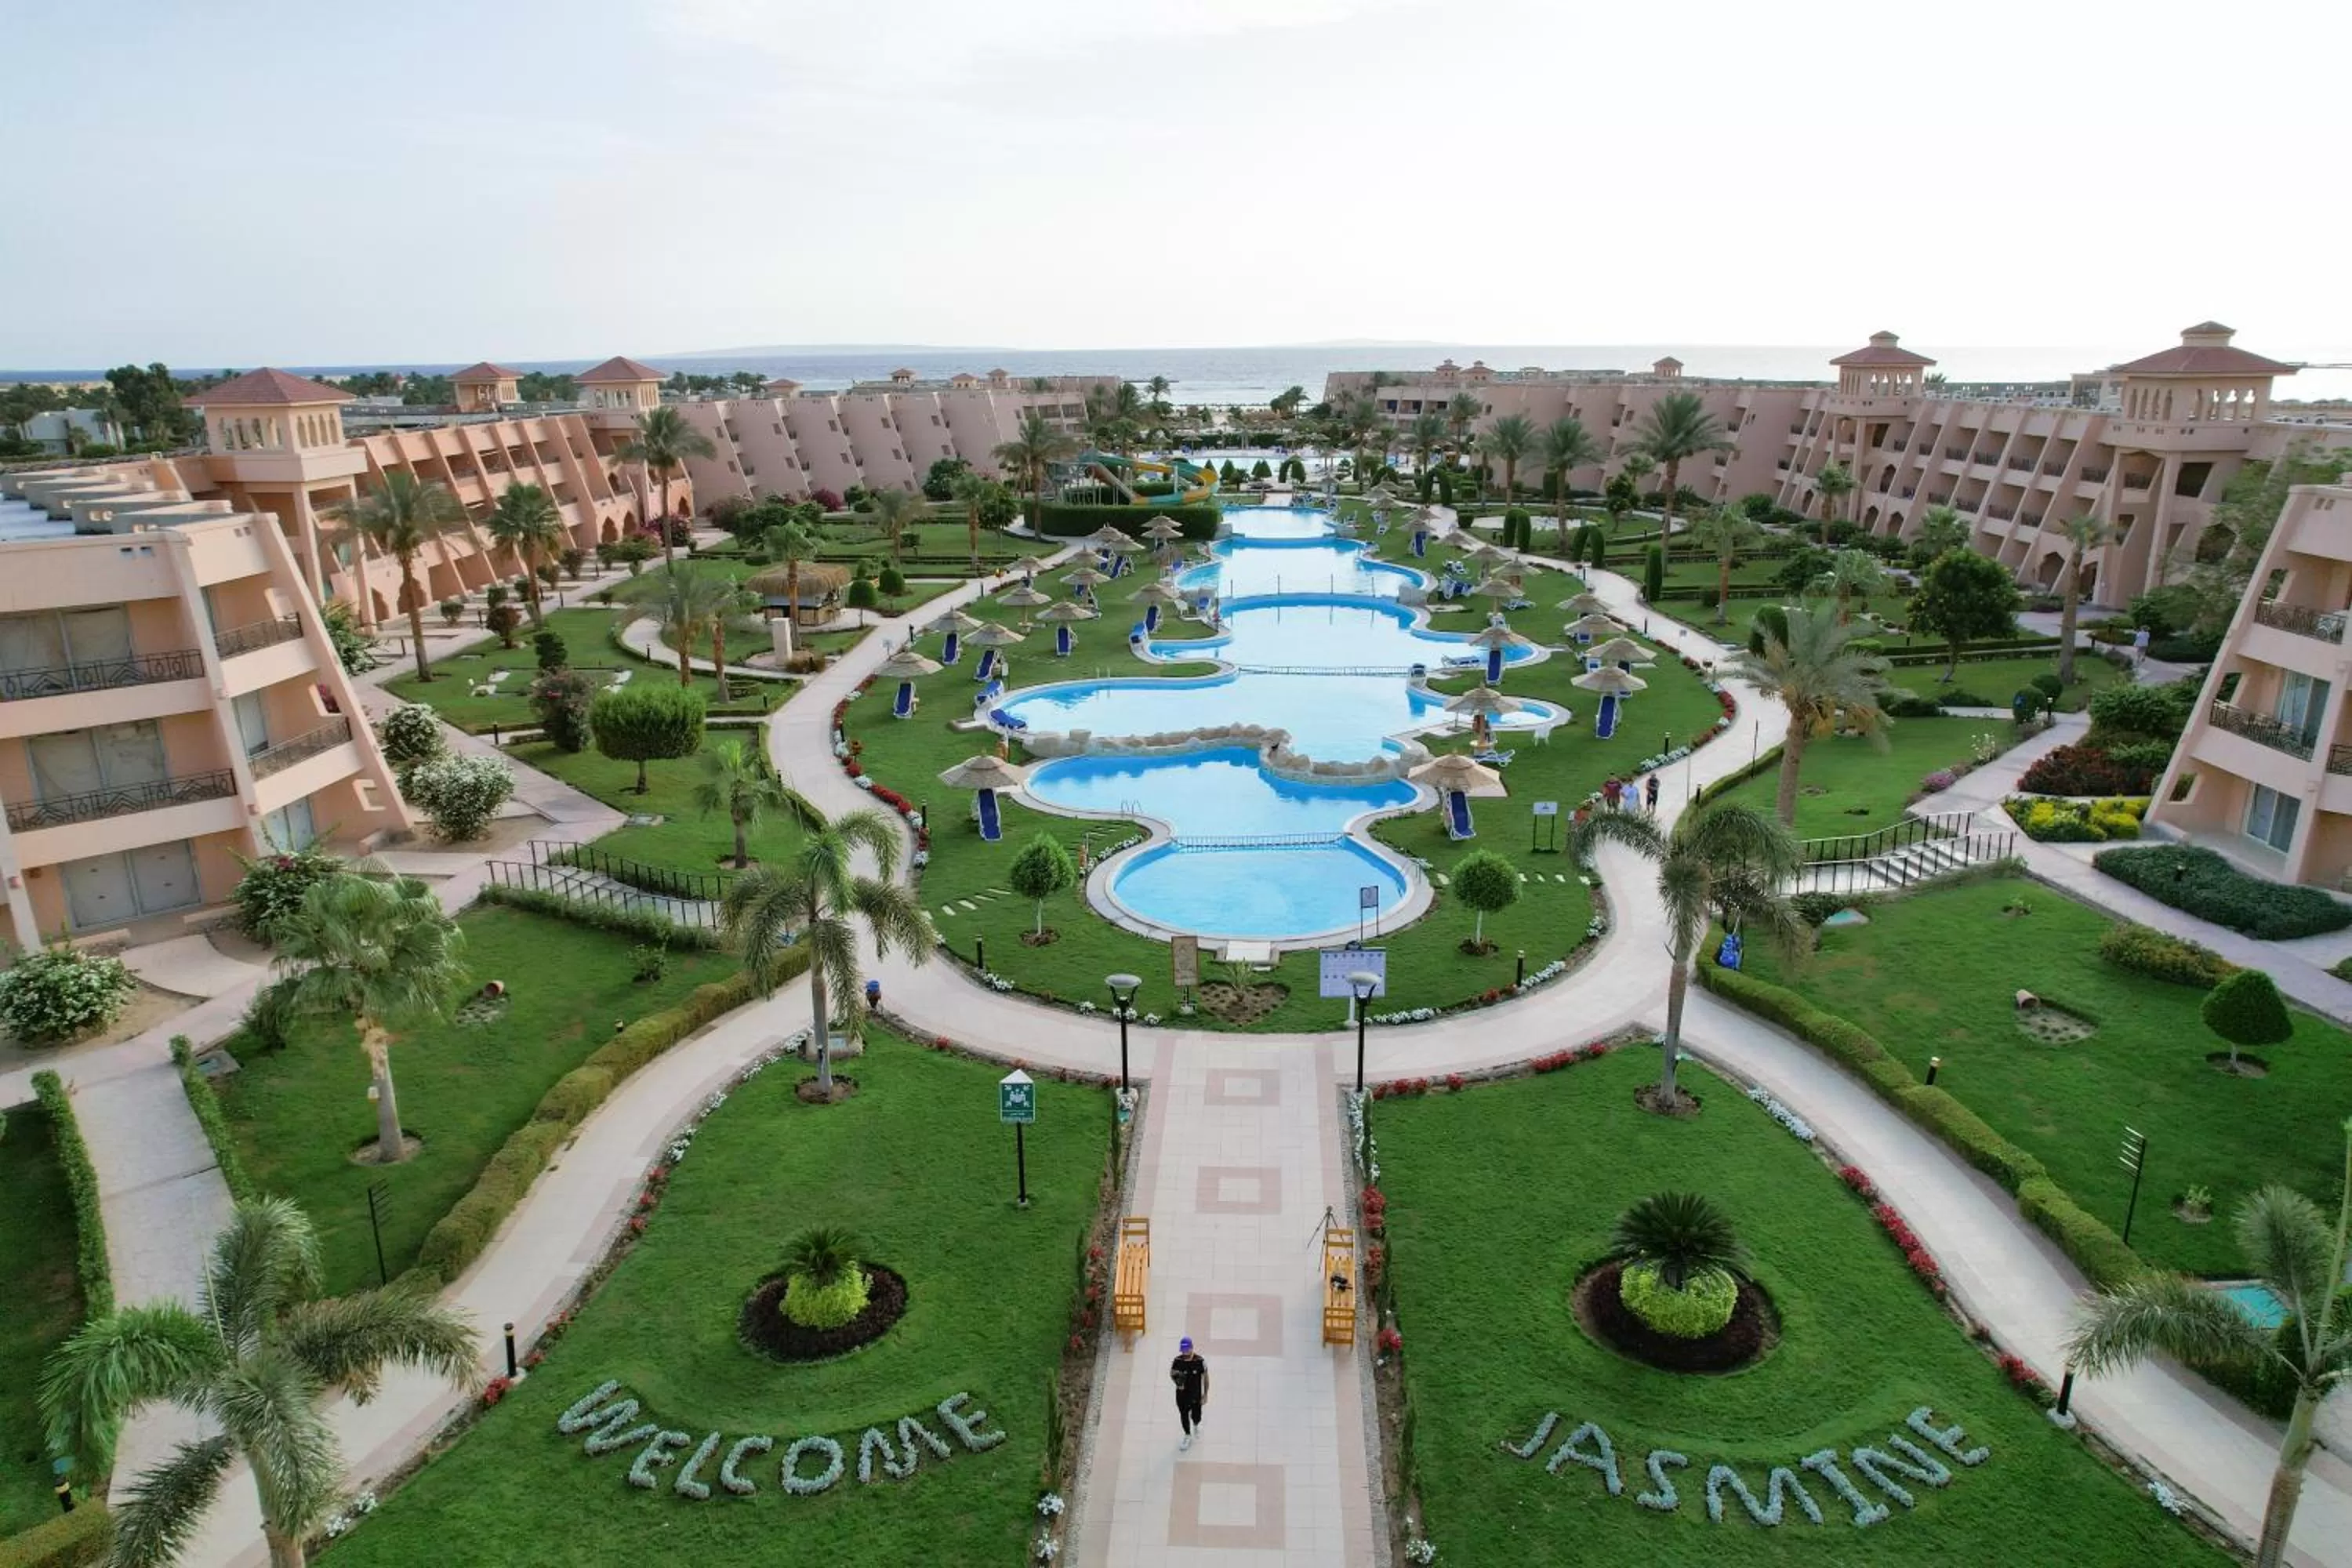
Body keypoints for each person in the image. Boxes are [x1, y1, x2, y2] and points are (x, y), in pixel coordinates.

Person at [1171, 1337, 1210, 1450]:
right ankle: (1187, 1435)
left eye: (1187, 1350)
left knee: (1196, 1416)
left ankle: (1196, 1425)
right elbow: (1172, 1373)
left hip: (1195, 1395)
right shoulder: (1177, 1361)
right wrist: (1178, 1383)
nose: (1184, 1353)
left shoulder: (1200, 1361)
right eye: (1183, 1351)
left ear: (1192, 1348)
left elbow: (1206, 1378)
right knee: (1184, 1416)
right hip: (1182, 1396)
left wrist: (1205, 1394)